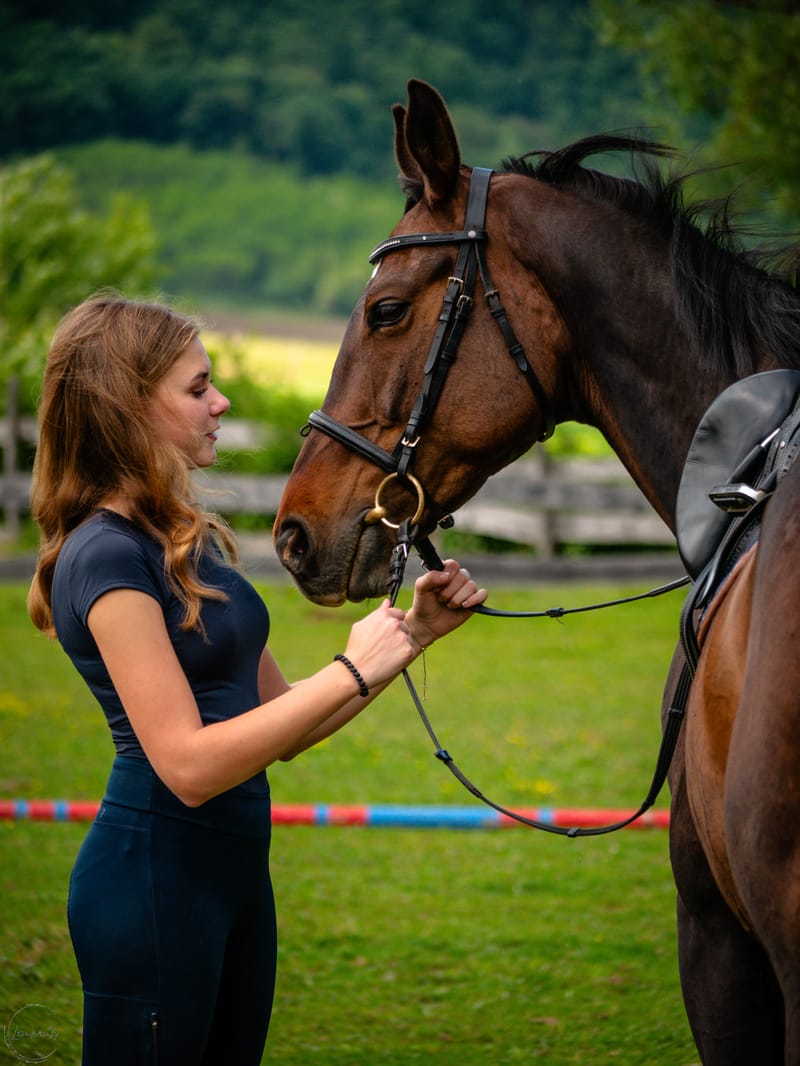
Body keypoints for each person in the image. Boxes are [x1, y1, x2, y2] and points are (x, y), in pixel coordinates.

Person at [27, 293, 487, 1066]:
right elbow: (189, 765)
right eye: (198, 387)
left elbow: (282, 724)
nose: (221, 401)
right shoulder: (106, 558)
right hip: (150, 887)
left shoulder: (185, 541)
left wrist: (409, 636)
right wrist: (352, 663)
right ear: (129, 406)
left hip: (236, 884)